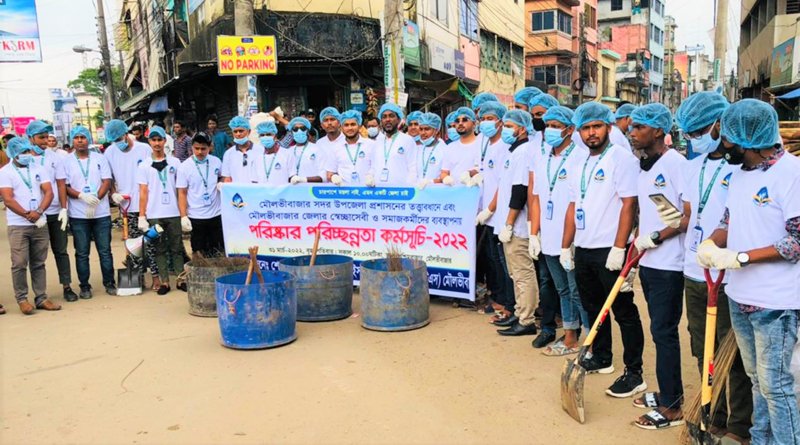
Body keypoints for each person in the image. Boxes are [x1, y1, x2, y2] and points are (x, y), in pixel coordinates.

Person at [696, 99, 800, 444]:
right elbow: (730, 220)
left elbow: (796, 242)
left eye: (727, 139)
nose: (722, 145)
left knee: (777, 387)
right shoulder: (741, 175)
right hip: (739, 297)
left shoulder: (792, 174)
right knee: (757, 379)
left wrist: (741, 258)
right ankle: (760, 439)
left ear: (747, 140)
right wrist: (711, 244)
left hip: (776, 304)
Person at [666, 91, 752, 442]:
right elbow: (689, 214)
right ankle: (711, 414)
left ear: (720, 124)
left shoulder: (741, 167)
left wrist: (721, 248)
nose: (694, 139)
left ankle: (739, 425)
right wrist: (672, 223)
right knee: (702, 347)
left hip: (729, 273)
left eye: (701, 131)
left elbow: (746, 220)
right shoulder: (692, 166)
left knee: (735, 356)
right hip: (694, 269)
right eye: (690, 134)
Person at [560, 102, 646, 397]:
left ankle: (634, 372)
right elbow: (573, 206)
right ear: (579, 131)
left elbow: (629, 204)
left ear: (608, 127)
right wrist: (565, 246)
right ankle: (602, 357)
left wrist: (620, 248)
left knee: (624, 311)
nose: (591, 133)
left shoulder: (621, 159)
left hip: (609, 249)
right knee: (594, 308)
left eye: (597, 126)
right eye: (586, 128)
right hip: (584, 247)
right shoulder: (576, 162)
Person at [627, 103, 687, 429]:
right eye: (632, 127)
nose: (633, 132)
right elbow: (647, 214)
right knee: (658, 330)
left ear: (659, 131)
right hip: (650, 260)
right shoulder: (645, 167)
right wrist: (636, 251)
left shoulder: (676, 165)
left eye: (639, 127)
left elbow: (684, 220)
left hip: (670, 264)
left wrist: (655, 237)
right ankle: (667, 390)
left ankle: (673, 405)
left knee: (664, 333)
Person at [529, 106, 589, 356]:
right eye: (547, 125)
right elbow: (537, 199)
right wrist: (534, 233)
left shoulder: (581, 157)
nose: (549, 130)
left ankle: (590, 338)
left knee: (578, 289)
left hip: (572, 237)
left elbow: (579, 203)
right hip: (550, 236)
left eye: (556, 125)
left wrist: (569, 243)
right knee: (562, 288)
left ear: (570, 129)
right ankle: (570, 336)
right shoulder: (543, 160)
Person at [492, 109, 538, 336]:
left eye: (510, 125)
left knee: (523, 274)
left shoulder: (524, 152)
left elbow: (520, 191)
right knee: (515, 274)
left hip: (518, 227)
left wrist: (509, 223)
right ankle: (520, 314)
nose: (506, 129)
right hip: (508, 224)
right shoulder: (514, 151)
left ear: (521, 128)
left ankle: (527, 320)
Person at [0, 137, 60, 314]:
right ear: (13, 154)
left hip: (40, 222)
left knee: (39, 262)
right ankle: (22, 299)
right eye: (22, 152)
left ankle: (41, 297)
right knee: (19, 262)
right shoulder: (5, 172)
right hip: (18, 225)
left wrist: (39, 211)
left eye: (27, 151)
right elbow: (8, 199)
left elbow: (48, 191)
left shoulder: (38, 168)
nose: (26, 155)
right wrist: (27, 215)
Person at [56, 126, 116, 299]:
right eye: (77, 137)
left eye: (83, 137)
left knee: (104, 250)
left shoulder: (100, 158)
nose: (80, 140)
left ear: (88, 139)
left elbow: (106, 180)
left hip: (101, 213)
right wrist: (82, 196)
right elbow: (64, 186)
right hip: (79, 215)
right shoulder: (65, 161)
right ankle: (84, 286)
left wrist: (96, 199)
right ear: (72, 140)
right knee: (82, 252)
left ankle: (109, 282)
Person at [474, 101, 516, 321]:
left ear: (500, 122)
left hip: (498, 215)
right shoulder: (489, 145)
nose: (486, 123)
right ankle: (499, 298)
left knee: (503, 264)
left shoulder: (503, 147)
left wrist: (490, 208)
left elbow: (503, 184)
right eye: (483, 119)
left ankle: (509, 304)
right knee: (493, 262)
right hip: (490, 217)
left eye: (490, 119)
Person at [27, 120, 76, 302]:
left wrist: (64, 208)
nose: (45, 141)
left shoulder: (55, 158)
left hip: (55, 211)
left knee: (61, 250)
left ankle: (67, 286)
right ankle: (40, 293)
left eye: (47, 137)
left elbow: (61, 184)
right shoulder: (25, 159)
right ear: (30, 138)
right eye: (41, 137)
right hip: (35, 214)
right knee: (38, 255)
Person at [104, 119, 157, 282]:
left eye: (120, 138)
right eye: (115, 140)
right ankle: (137, 277)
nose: (118, 143)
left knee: (152, 241)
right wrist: (113, 194)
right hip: (126, 205)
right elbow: (109, 178)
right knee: (134, 243)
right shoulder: (109, 153)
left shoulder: (144, 149)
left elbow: (153, 175)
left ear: (126, 134)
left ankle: (156, 276)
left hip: (149, 204)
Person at [138, 126, 184, 295]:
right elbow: (143, 192)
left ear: (165, 141)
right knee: (159, 248)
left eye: (160, 140)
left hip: (173, 212)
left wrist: (184, 214)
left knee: (177, 247)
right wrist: (142, 215)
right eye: (153, 140)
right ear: (149, 142)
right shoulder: (144, 166)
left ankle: (181, 278)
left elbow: (181, 189)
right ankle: (165, 282)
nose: (157, 143)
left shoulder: (175, 162)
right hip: (154, 214)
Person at [177, 132, 225, 258]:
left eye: (203, 148)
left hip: (216, 214)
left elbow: (223, 177)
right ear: (192, 147)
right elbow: (182, 192)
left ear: (210, 147)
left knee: (218, 250)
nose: (199, 152)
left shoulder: (216, 162)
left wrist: (221, 183)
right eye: (196, 148)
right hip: (196, 216)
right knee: (199, 252)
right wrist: (183, 216)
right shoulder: (184, 167)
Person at [368, 103, 417, 186]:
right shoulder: (377, 143)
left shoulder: (407, 140)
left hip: (400, 192)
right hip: (379, 191)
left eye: (391, 116)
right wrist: (370, 176)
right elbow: (373, 166)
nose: (387, 119)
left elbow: (413, 168)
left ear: (398, 119)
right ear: (381, 122)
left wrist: (409, 187)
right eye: (384, 117)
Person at [326, 110, 373, 186]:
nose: (350, 128)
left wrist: (371, 176)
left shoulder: (371, 145)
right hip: (344, 193)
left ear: (360, 126)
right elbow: (329, 173)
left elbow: (377, 167)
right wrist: (334, 177)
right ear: (341, 128)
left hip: (367, 192)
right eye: (346, 125)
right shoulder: (335, 148)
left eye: (353, 124)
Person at [439, 107, 480, 187]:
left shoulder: (481, 145)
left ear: (474, 124)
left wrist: (471, 174)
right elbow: (444, 172)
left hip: (476, 194)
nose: (460, 123)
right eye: (457, 121)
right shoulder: (450, 147)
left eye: (465, 120)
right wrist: (446, 178)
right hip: (455, 194)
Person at [220, 116, 265, 184]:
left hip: (256, 191)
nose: (238, 134)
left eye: (241, 131)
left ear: (249, 131)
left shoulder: (260, 150)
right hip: (237, 192)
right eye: (235, 131)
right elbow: (227, 178)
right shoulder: (228, 154)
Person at [250, 120, 293, 185]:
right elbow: (254, 181)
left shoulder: (287, 154)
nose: (265, 137)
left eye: (268, 134)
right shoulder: (257, 156)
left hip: (283, 194)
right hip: (262, 194)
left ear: (275, 136)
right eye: (262, 135)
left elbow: (292, 178)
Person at [287, 116, 325, 184]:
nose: (299, 131)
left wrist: (303, 179)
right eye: (295, 129)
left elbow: (323, 176)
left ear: (307, 131)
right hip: (293, 190)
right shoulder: (288, 152)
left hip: (312, 190)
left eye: (302, 128)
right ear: (291, 132)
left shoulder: (317, 149)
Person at [414, 112, 447, 189]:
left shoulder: (444, 150)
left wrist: (431, 182)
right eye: (421, 129)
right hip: (417, 193)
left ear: (436, 130)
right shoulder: (418, 149)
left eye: (427, 129)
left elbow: (448, 176)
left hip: (437, 193)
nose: (423, 133)